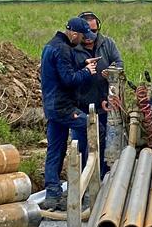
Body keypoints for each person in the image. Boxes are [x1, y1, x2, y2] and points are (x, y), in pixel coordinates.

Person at [39, 17, 99, 210]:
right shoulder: (63, 49)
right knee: (93, 130)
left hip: (52, 106)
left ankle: (52, 193)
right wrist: (87, 71)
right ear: (73, 33)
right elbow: (68, 79)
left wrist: (83, 63)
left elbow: (64, 68)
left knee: (55, 148)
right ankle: (80, 187)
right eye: (81, 36)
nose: (83, 40)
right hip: (63, 107)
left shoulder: (52, 45)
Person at [73, 11, 124, 175]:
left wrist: (112, 71)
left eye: (93, 32)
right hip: (81, 106)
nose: (89, 36)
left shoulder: (107, 44)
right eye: (86, 32)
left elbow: (119, 63)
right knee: (80, 145)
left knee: (102, 144)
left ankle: (102, 177)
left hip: (103, 105)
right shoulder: (72, 48)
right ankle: (82, 179)